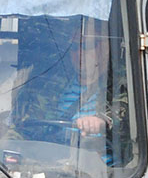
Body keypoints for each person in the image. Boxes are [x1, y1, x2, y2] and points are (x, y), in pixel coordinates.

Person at [13, 23, 128, 156]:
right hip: (51, 166)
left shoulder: (121, 83)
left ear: (103, 47)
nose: (78, 52)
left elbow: (126, 120)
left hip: (103, 173)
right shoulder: (53, 85)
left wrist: (102, 122)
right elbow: (26, 124)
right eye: (73, 47)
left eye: (85, 46)